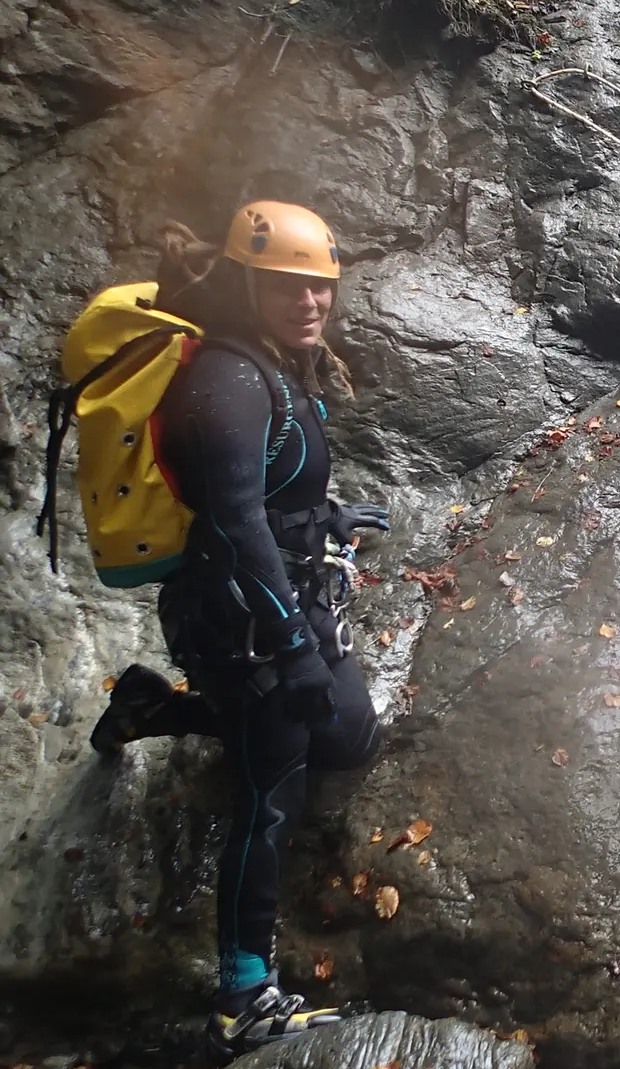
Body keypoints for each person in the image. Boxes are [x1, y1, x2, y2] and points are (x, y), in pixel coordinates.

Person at [86, 201, 391, 1059]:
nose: (310, 302)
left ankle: (155, 707)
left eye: (320, 286)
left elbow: (275, 491)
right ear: (248, 281)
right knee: (271, 793)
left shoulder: (273, 363)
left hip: (281, 601)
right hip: (243, 624)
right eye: (289, 285)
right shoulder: (224, 380)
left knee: (349, 737)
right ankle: (243, 991)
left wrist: (328, 514)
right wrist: (290, 644)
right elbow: (233, 517)